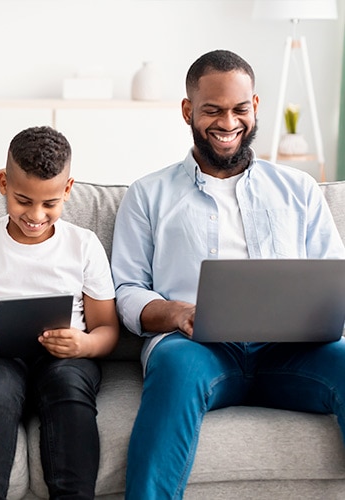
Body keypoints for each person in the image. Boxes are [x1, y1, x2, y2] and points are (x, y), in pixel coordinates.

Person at [110, 49, 345, 499]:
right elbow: (126, 290)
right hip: (194, 349)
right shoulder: (148, 194)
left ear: (255, 107)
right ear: (188, 111)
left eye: (239, 109)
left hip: (290, 352)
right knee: (175, 365)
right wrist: (177, 314)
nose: (228, 122)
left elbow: (333, 276)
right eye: (212, 110)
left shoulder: (299, 190)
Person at [0, 126, 119, 499]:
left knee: (68, 389)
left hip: (66, 358)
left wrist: (85, 344)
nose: (36, 215)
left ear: (68, 190)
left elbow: (107, 329)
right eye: (24, 200)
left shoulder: (84, 245)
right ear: (4, 184)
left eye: (50, 204)